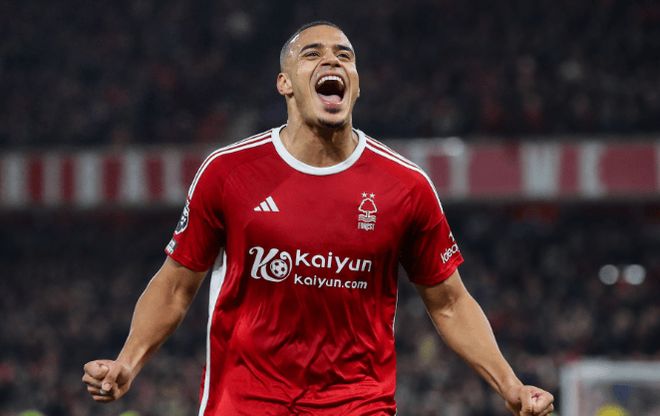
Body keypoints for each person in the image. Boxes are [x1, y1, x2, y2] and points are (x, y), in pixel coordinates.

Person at [83, 21, 554, 415]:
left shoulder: (406, 186)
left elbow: (450, 303)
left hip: (357, 404)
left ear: (357, 85)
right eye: (312, 54)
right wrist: (128, 362)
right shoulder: (228, 172)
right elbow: (175, 286)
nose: (332, 61)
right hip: (245, 404)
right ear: (285, 83)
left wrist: (510, 386)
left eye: (344, 56)